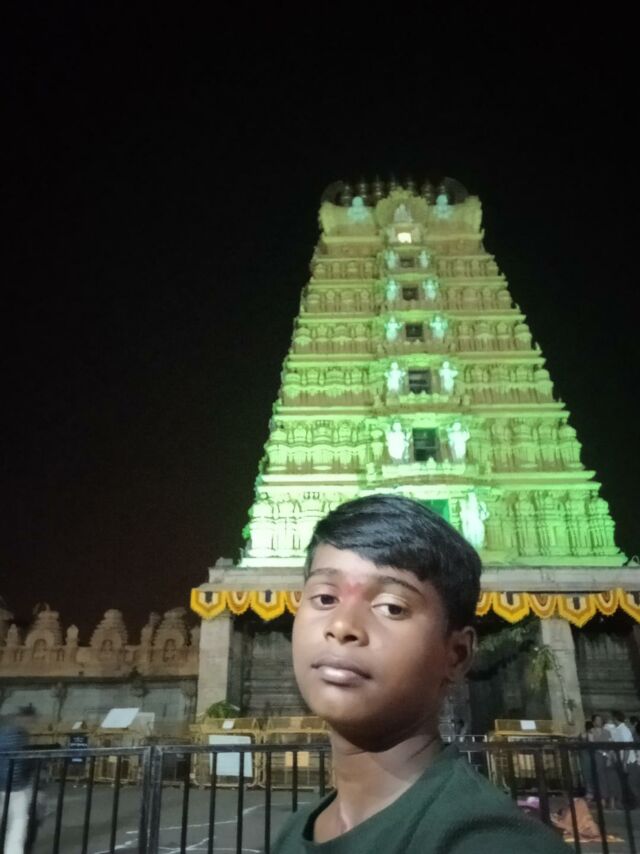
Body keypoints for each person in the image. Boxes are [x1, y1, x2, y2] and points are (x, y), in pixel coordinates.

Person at [273, 494, 567, 852]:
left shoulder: (492, 843)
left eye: (392, 607)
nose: (342, 626)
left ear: (456, 655)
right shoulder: (294, 833)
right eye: (325, 598)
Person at [0, 714, 33, 854]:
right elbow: (26, 763)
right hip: (16, 787)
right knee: (19, 820)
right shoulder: (20, 738)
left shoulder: (3, 738)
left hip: (3, 785)